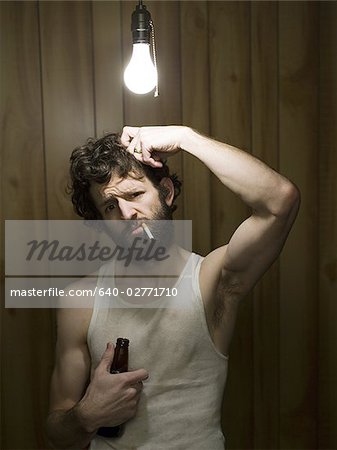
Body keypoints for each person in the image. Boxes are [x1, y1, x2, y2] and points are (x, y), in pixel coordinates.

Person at [46, 125, 300, 449]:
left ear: (165, 192)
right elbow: (57, 435)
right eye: (110, 206)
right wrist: (86, 415)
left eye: (135, 194)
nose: (127, 214)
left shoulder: (211, 281)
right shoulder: (80, 301)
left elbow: (280, 201)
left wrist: (185, 137)